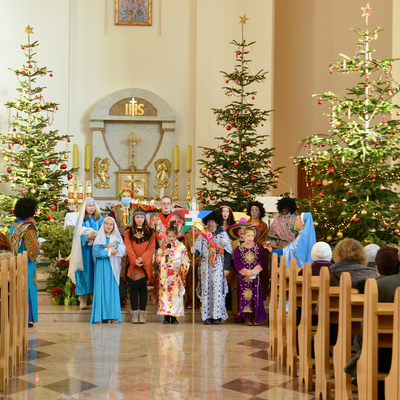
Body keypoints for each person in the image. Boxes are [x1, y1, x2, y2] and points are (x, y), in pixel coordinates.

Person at [192, 210, 232, 325]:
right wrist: (194, 251)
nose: (210, 224)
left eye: (213, 222)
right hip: (205, 267)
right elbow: (198, 250)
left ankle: (217, 316)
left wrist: (227, 268)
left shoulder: (222, 234)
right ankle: (207, 316)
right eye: (208, 222)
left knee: (217, 290)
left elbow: (228, 251)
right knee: (206, 289)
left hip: (218, 267)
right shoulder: (203, 234)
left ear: (217, 223)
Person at [68, 197, 104, 309]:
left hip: (96, 250)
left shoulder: (100, 219)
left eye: (93, 205)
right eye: (89, 206)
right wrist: (88, 236)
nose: (92, 208)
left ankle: (95, 298)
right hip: (84, 250)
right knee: (84, 272)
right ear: (85, 207)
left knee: (96, 272)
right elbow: (77, 235)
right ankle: (82, 299)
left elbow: (105, 231)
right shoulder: (81, 219)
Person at [10, 197, 40, 327]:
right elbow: (33, 249)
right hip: (27, 261)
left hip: (15, 259)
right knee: (27, 287)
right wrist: (39, 244)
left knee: (18, 287)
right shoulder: (28, 227)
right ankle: (26, 318)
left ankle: (16, 316)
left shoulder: (13, 224)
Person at [90, 217, 126, 324]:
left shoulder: (116, 238)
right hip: (101, 267)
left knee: (111, 290)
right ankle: (99, 317)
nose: (109, 226)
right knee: (101, 289)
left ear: (114, 226)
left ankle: (113, 316)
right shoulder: (99, 237)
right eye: (107, 224)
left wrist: (114, 245)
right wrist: (109, 253)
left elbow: (123, 250)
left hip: (113, 267)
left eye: (111, 224)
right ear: (103, 225)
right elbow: (96, 253)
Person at [150, 196, 184, 302]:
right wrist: (155, 249)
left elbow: (180, 236)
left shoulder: (177, 219)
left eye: (168, 203)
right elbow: (151, 234)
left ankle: (172, 298)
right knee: (159, 274)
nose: (166, 205)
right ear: (160, 205)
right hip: (159, 251)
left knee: (172, 274)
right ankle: (160, 299)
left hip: (174, 252)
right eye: (163, 203)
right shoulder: (154, 218)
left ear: (171, 205)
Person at [124, 210, 156, 324]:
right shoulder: (129, 231)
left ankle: (142, 313)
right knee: (133, 288)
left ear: (144, 218)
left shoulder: (151, 232)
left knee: (143, 289)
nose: (139, 219)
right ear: (134, 218)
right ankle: (134, 313)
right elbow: (128, 246)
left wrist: (142, 259)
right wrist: (134, 260)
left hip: (144, 264)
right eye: (137, 217)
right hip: (133, 264)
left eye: (141, 217)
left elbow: (151, 247)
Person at [156, 221, 190, 324]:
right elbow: (157, 260)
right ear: (166, 235)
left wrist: (183, 265)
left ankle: (174, 316)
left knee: (176, 296)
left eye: (173, 236)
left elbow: (186, 260)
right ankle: (166, 316)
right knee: (166, 295)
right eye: (169, 236)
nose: (171, 238)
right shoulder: (163, 246)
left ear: (176, 236)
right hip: (165, 274)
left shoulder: (181, 246)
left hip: (176, 275)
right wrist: (163, 256)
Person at [234, 226, 267, 326]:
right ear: (243, 236)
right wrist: (246, 271)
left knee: (254, 296)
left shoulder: (258, 248)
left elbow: (261, 261)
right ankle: (246, 318)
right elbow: (237, 262)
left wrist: (255, 271)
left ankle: (254, 317)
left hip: (255, 278)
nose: (250, 238)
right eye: (248, 236)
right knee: (245, 296)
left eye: (252, 236)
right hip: (243, 277)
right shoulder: (239, 249)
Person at [108, 189, 135, 308]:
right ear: (119, 197)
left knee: (132, 267)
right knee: (120, 269)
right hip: (119, 241)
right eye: (124, 196)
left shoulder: (136, 210)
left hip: (134, 241)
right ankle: (121, 297)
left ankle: (134, 297)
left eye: (128, 196)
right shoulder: (114, 210)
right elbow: (109, 226)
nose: (126, 197)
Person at [227, 217, 253, 322]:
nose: (242, 231)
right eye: (240, 229)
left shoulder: (252, 244)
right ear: (237, 231)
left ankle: (247, 315)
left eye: (244, 229)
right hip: (236, 271)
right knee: (236, 292)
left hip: (248, 272)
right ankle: (237, 315)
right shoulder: (233, 243)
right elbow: (230, 256)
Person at [246, 201, 270, 298]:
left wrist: (263, 243)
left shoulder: (264, 225)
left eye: (256, 210)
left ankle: (259, 295)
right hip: (248, 253)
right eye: (252, 210)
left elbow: (266, 239)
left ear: (260, 212)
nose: (254, 212)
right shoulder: (246, 224)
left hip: (260, 254)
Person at [183, 227, 201, 309]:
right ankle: (191, 302)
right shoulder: (187, 236)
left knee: (199, 283)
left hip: (200, 263)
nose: (195, 228)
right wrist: (190, 261)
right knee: (190, 283)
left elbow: (204, 250)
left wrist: (196, 261)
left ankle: (200, 302)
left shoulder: (203, 235)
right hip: (190, 263)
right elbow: (185, 249)